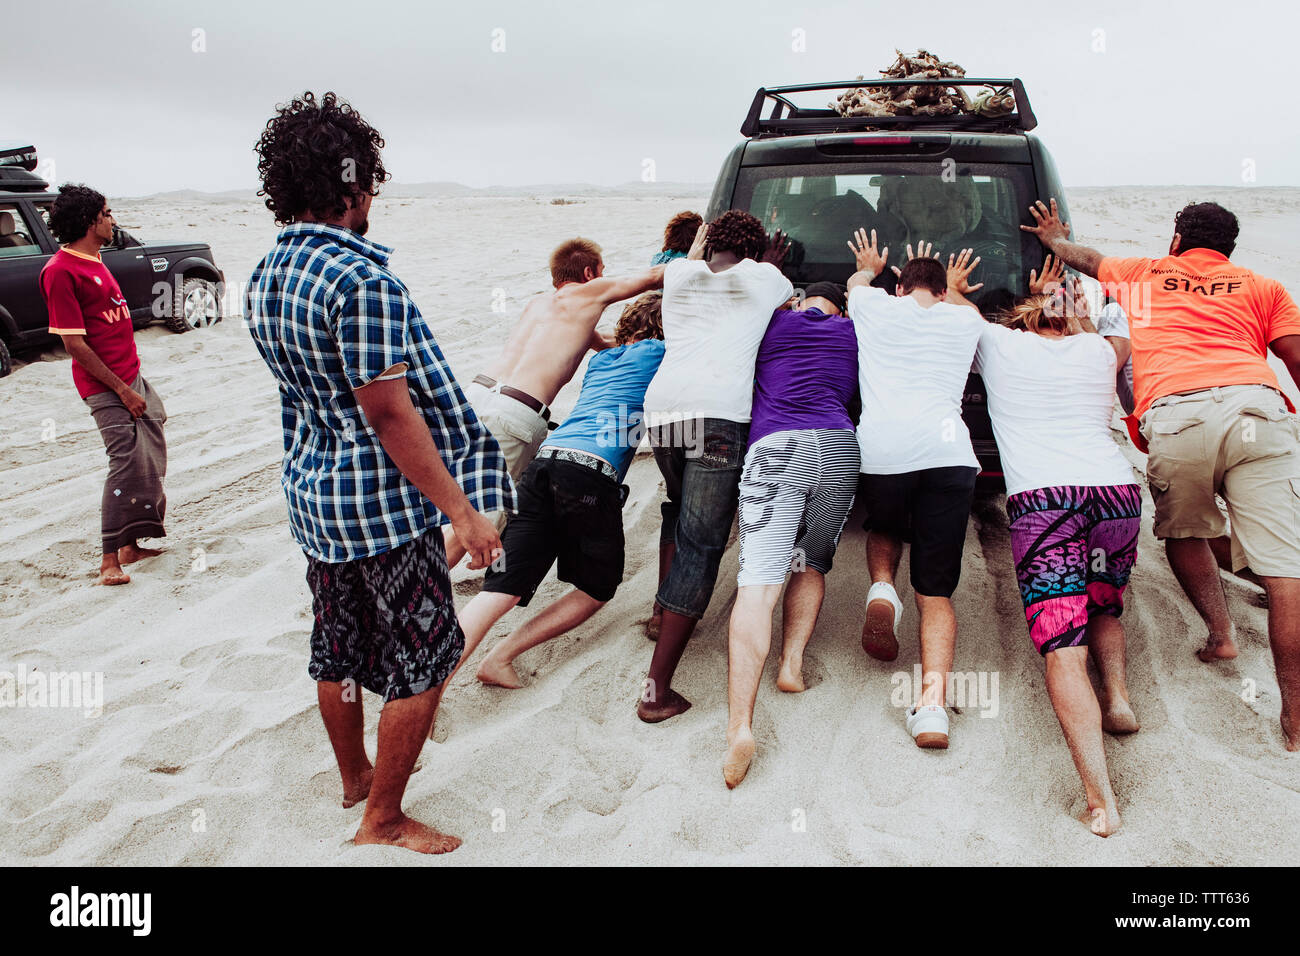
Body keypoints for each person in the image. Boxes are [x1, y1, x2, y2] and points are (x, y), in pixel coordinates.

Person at [246, 91, 513, 854]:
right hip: (383, 510)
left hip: (315, 498)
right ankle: (385, 817)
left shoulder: (268, 273)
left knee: (337, 648)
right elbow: (390, 414)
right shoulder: (363, 281)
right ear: (351, 188)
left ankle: (355, 777)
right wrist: (462, 511)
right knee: (426, 659)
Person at [1025, 197, 1300, 751]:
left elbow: (1085, 257)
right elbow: (1295, 359)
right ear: (1229, 249)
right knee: (1284, 570)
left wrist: (1053, 239)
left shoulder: (1143, 272)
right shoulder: (1263, 286)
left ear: (1176, 240)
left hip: (1180, 416)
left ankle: (1221, 635)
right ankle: (1294, 723)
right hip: (1257, 410)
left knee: (1185, 532)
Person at [975, 282, 1141, 837]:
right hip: (1116, 493)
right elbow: (1116, 324)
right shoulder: (1097, 350)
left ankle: (1101, 802)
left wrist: (955, 287)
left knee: (1062, 649)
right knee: (1105, 606)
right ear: (1072, 320)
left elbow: (950, 309)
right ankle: (1117, 700)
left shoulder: (999, 343)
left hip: (1047, 502)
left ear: (1025, 319)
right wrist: (1073, 300)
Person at [449, 292, 666, 694]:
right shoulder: (663, 353)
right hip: (589, 473)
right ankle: (501, 656)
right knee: (597, 588)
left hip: (543, 463)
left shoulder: (603, 359)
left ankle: (431, 688)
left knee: (500, 589)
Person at [638, 210, 794, 723]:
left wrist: (703, 245)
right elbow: (774, 291)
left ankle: (663, 611)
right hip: (718, 418)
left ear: (708, 246)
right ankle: (656, 691)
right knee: (703, 546)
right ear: (756, 253)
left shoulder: (680, 273)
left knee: (678, 507)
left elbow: (690, 259)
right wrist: (767, 261)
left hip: (663, 412)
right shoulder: (767, 278)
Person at [845, 231, 987, 750]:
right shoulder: (964, 318)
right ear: (944, 290)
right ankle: (932, 709)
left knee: (885, 526)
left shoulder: (874, 305)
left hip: (883, 451)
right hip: (949, 455)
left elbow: (854, 283)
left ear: (900, 285)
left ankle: (882, 589)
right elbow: (966, 311)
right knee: (936, 590)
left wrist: (869, 267)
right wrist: (957, 289)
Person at [443, 239, 664, 568]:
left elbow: (605, 343)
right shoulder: (588, 292)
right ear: (590, 272)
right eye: (602, 273)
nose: (605, 279)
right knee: (475, 520)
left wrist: (645, 330)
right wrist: (699, 259)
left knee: (460, 504)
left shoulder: (539, 304)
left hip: (476, 396)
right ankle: (414, 598)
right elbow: (654, 276)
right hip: (515, 412)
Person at [723, 282, 859, 788]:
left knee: (758, 585)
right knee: (810, 561)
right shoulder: (854, 330)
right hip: (838, 448)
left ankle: (740, 725)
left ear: (800, 303)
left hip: (778, 448)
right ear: (840, 309)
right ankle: (792, 665)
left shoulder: (773, 323)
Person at [39, 183, 167, 586]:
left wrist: (135, 383)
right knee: (125, 462)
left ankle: (132, 543)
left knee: (152, 448)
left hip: (131, 374)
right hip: (105, 386)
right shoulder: (60, 271)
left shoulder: (95, 259)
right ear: (89, 221)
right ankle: (109, 559)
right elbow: (74, 344)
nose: (113, 220)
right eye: (107, 214)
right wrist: (122, 391)